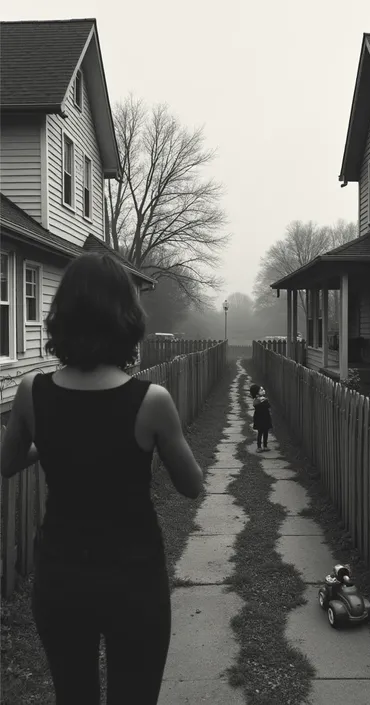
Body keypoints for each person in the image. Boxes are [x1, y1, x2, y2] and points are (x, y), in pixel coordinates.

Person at [0, 254, 203, 705]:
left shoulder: (32, 392)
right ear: (125, 320)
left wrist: (52, 444)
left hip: (61, 575)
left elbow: (8, 463)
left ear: (61, 318)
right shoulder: (152, 400)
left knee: (74, 696)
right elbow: (192, 485)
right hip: (134, 577)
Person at [249, 383, 272, 453]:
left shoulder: (263, 399)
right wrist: (264, 401)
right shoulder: (256, 401)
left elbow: (268, 405)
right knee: (260, 433)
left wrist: (265, 400)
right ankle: (259, 447)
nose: (262, 391)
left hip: (266, 417)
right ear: (256, 394)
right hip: (260, 419)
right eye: (260, 390)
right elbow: (263, 406)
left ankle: (265, 446)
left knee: (266, 432)